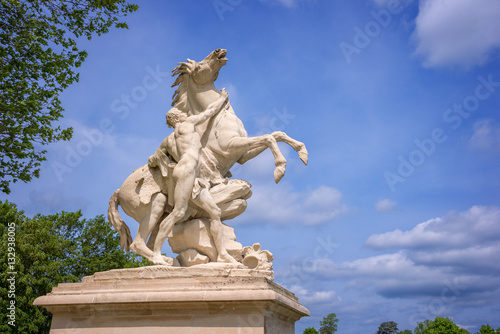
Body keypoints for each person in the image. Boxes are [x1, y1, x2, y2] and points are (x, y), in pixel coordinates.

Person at [151, 88, 237, 265]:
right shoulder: (188, 123)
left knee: (215, 211)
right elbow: (209, 112)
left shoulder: (167, 141)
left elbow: (152, 160)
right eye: (181, 113)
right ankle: (156, 253)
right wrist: (222, 99)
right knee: (178, 212)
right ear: (177, 117)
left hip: (190, 174)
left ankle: (221, 253)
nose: (184, 114)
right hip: (187, 170)